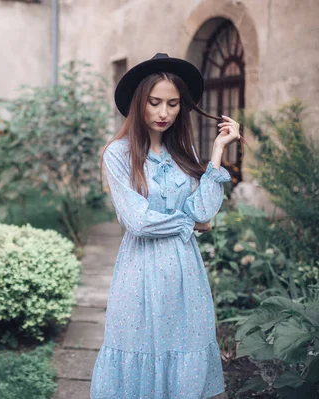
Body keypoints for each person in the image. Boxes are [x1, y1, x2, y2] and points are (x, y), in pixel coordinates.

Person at [90, 53, 241, 399]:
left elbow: (204, 210)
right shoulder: (118, 153)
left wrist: (217, 151)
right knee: (137, 346)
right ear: (138, 103)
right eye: (155, 102)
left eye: (173, 104)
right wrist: (190, 223)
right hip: (140, 270)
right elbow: (138, 221)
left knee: (182, 350)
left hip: (185, 273)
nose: (163, 113)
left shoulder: (183, 149)